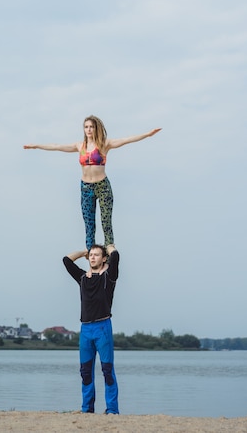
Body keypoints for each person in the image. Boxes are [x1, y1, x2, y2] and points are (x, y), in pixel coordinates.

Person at [24, 116, 161, 250]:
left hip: (102, 186)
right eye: (86, 127)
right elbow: (57, 146)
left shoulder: (104, 144)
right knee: (89, 223)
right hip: (86, 187)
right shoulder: (80, 146)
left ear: (96, 128)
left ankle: (110, 249)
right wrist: (36, 146)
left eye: (91, 127)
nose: (89, 129)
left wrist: (148, 134)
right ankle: (91, 253)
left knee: (106, 220)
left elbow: (127, 140)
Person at [63, 243, 120, 414]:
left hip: (103, 327)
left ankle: (112, 410)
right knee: (85, 371)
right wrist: (83, 253)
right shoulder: (82, 277)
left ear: (104, 259)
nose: (93, 257)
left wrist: (109, 248)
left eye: (97, 255)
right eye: (92, 255)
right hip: (86, 329)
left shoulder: (109, 277)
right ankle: (87, 409)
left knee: (107, 370)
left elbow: (116, 257)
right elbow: (66, 261)